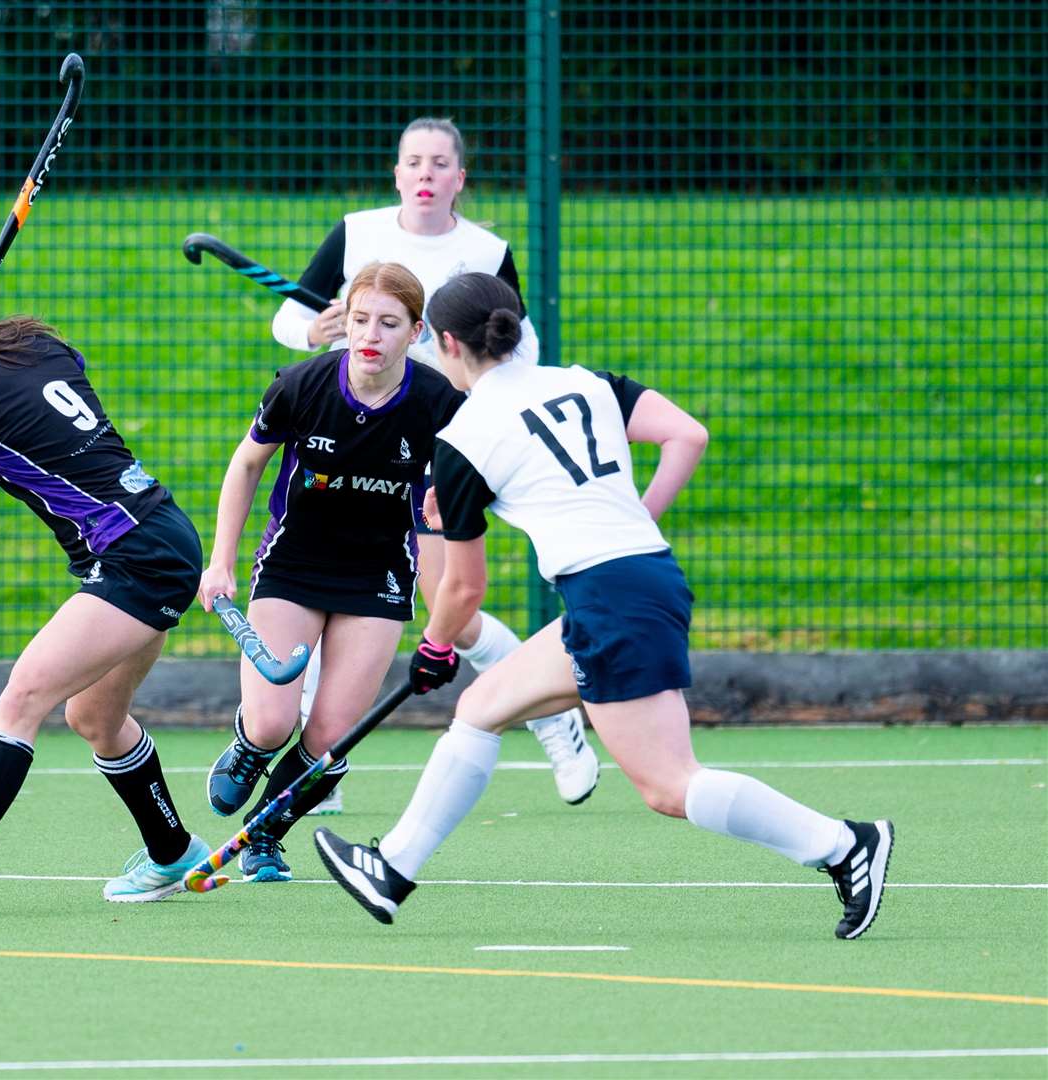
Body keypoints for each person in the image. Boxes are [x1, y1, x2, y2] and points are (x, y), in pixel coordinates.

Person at [314, 273, 894, 940]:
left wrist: (436, 645)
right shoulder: (584, 382)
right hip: (634, 581)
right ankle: (392, 866)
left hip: (612, 597)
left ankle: (844, 846)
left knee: (667, 786)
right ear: (516, 326)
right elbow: (688, 435)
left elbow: (463, 589)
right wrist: (633, 523)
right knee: (480, 707)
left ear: (445, 343)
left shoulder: (465, 436)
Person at [273, 117, 595, 812]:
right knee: (316, 585)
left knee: (450, 606)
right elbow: (288, 319)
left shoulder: (484, 249)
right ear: (396, 173)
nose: (424, 172)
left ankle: (551, 716)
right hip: (346, 437)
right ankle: (314, 767)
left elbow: (520, 346)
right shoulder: (355, 231)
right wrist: (314, 328)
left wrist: (461, 378)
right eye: (412, 161)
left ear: (458, 178)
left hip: (435, 442)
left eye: (438, 162)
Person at [0, 267, 210, 913]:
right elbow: (23, 374)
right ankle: (174, 852)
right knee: (94, 718)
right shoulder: (39, 343)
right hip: (161, 534)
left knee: (23, 696)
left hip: (133, 555)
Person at [198, 261, 463, 883]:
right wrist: (220, 562)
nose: (371, 334)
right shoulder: (300, 384)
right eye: (360, 319)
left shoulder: (437, 403)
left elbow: (464, 491)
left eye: (389, 323)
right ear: (343, 322)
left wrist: (448, 506)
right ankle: (250, 747)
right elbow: (245, 468)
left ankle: (265, 835)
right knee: (272, 722)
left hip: (376, 578)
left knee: (329, 742)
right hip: (294, 565)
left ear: (416, 331)